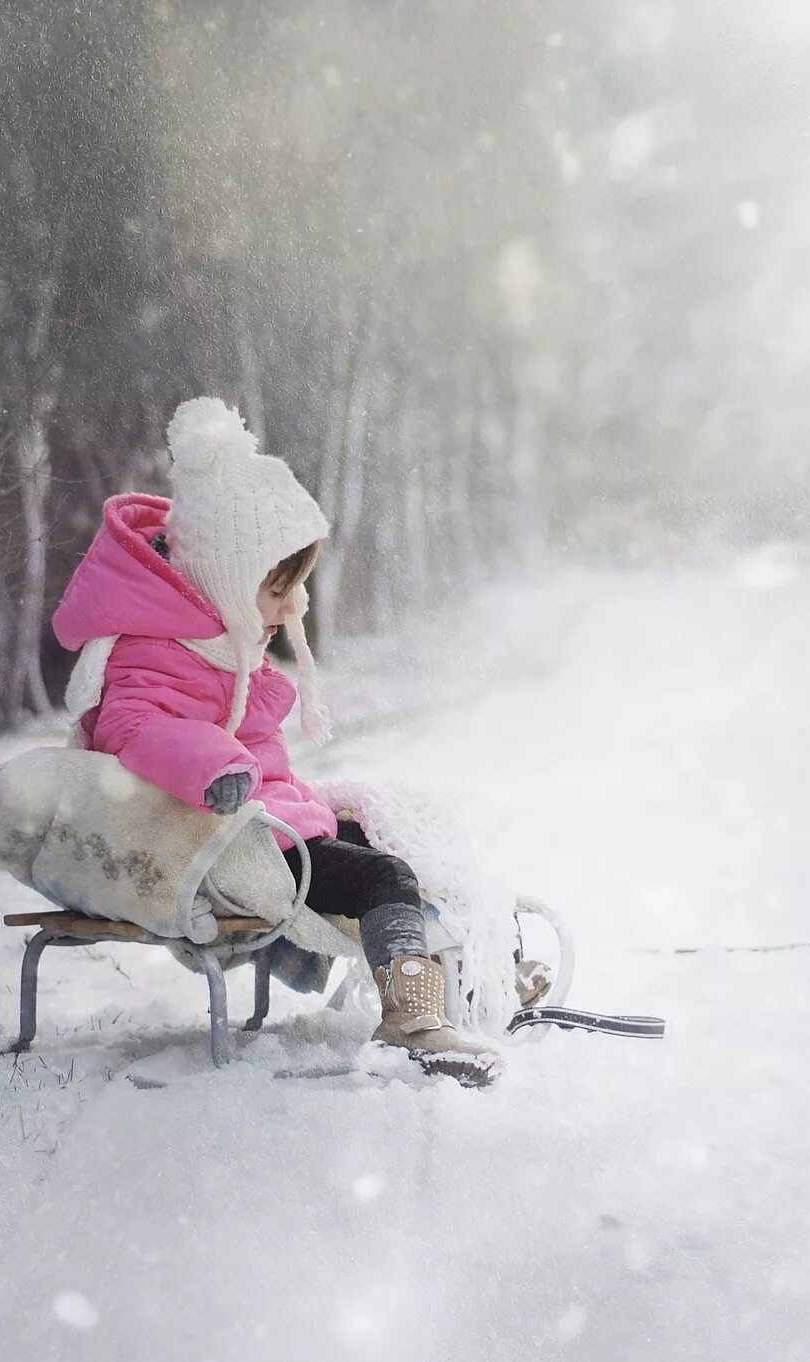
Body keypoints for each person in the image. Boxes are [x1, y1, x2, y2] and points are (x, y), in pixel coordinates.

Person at [49, 396, 500, 1086]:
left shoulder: (225, 639)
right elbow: (131, 728)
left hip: (267, 822)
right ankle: (412, 1016)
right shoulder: (154, 648)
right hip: (229, 841)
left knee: (392, 836)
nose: (292, 607)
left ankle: (466, 975)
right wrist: (215, 770)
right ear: (227, 575)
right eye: (278, 587)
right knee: (384, 876)